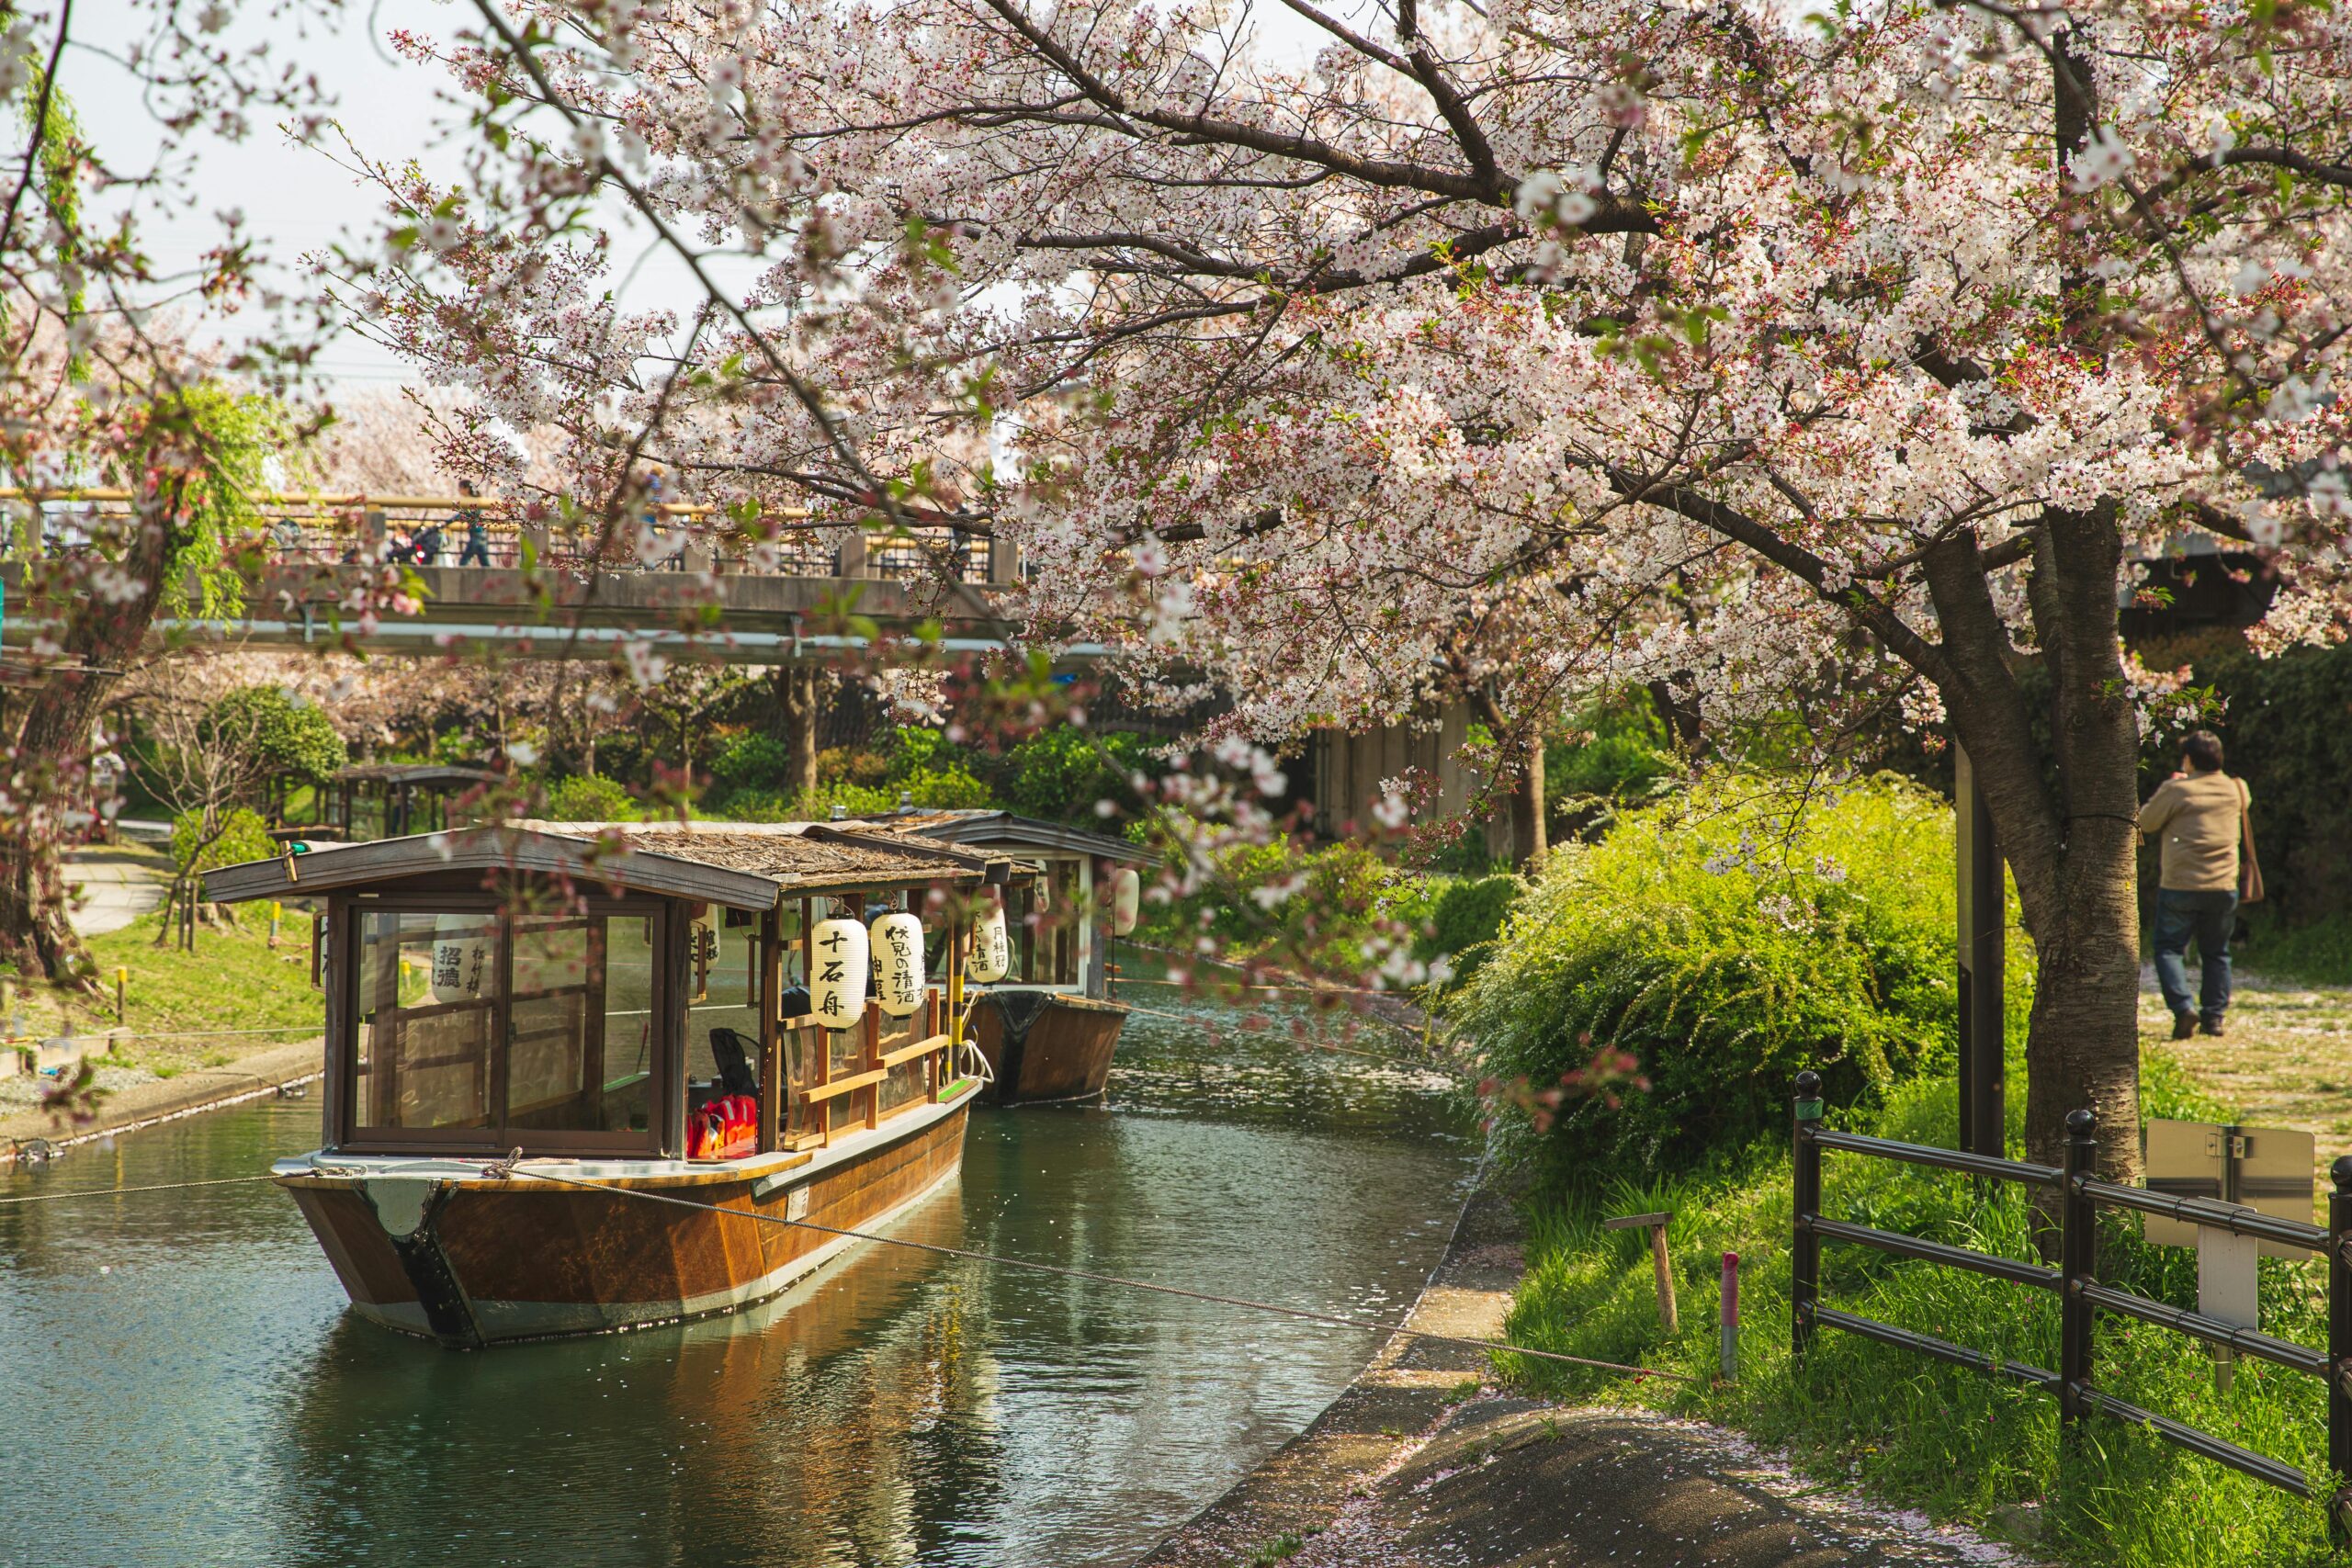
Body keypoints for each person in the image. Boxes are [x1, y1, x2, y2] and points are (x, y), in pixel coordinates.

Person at [2139, 729, 2256, 1039]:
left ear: (2189, 759)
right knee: (2217, 952)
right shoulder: (2237, 789)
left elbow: (2146, 822)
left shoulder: (2177, 790)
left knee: (2168, 949)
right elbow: (2245, 799)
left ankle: (2182, 1008)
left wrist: (2178, 782)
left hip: (2180, 884)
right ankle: (2214, 1018)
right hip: (2222, 886)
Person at [455, 479, 492, 567]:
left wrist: (450, 521)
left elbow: (466, 514)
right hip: (480, 533)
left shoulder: (472, 501)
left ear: (466, 489)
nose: (459, 490)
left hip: (477, 533)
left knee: (464, 561)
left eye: (460, 488)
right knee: (484, 562)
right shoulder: (474, 500)